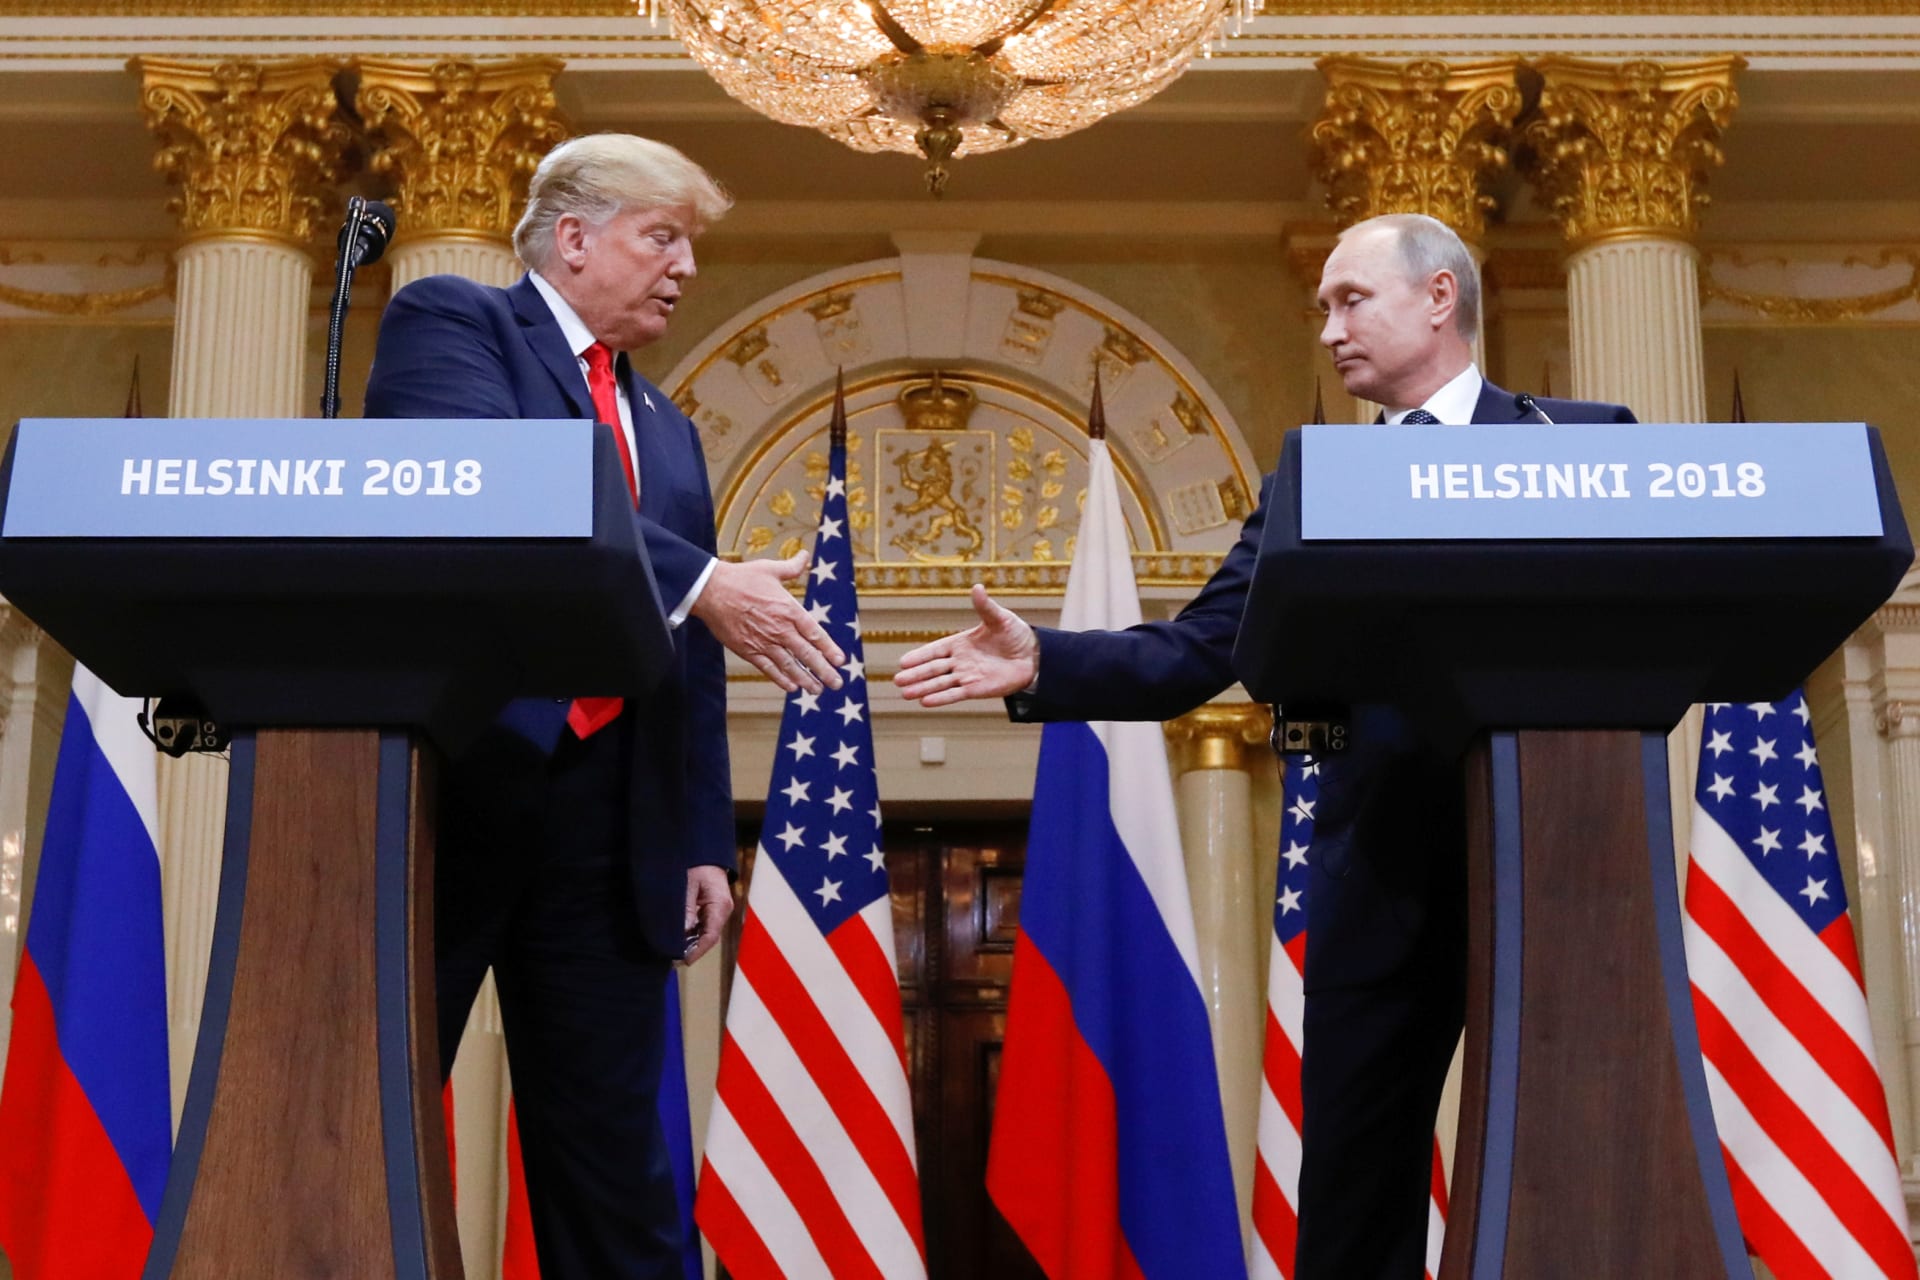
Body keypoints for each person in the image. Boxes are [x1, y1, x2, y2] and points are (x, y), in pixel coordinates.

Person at [894, 212, 1635, 1278]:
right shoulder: (1312, 481)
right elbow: (1199, 649)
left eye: (1351, 300)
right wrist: (1045, 660)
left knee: (1583, 1160)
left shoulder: (1581, 442)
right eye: (1322, 307)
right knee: (1355, 1191)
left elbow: (1639, 620)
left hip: (1557, 859)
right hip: (1379, 870)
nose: (1329, 329)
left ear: (1439, 296)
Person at [363, 133, 845, 1280]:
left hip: (610, 824)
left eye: (690, 245)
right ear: (573, 237)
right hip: (453, 793)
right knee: (368, 1111)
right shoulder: (456, 321)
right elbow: (485, 486)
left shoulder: (666, 424)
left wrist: (698, 835)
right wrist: (701, 577)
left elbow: (686, 653)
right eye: (661, 236)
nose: (686, 268)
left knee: (615, 1168)